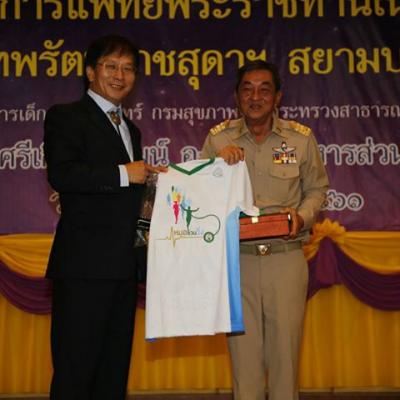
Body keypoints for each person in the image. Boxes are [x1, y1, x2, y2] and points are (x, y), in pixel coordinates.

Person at [44, 35, 165, 400]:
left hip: (123, 268)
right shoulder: (66, 116)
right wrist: (126, 173)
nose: (119, 75)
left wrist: (154, 183)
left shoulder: (131, 128)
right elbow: (63, 174)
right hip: (84, 268)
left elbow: (127, 194)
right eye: (111, 66)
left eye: (128, 68)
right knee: (75, 372)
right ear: (90, 72)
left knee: (113, 375)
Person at [201, 61, 329, 400]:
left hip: (285, 260)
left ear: (278, 97)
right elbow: (200, 199)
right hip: (237, 263)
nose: (255, 97)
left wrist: (301, 217)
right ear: (236, 96)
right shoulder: (218, 139)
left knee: (286, 362)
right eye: (247, 89)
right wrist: (215, 167)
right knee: (244, 368)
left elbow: (317, 190)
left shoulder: (300, 139)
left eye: (264, 89)